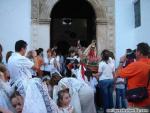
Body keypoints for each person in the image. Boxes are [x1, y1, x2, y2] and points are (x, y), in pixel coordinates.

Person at [7, 40, 59, 113]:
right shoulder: (20, 58)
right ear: (22, 49)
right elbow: (36, 67)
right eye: (25, 49)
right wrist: (34, 56)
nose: (26, 51)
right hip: (24, 87)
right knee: (33, 106)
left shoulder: (11, 58)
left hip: (14, 86)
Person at [116, 42, 150, 107]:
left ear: (139, 52)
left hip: (138, 100)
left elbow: (118, 73)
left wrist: (121, 62)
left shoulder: (135, 65)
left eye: (136, 51)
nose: (135, 53)